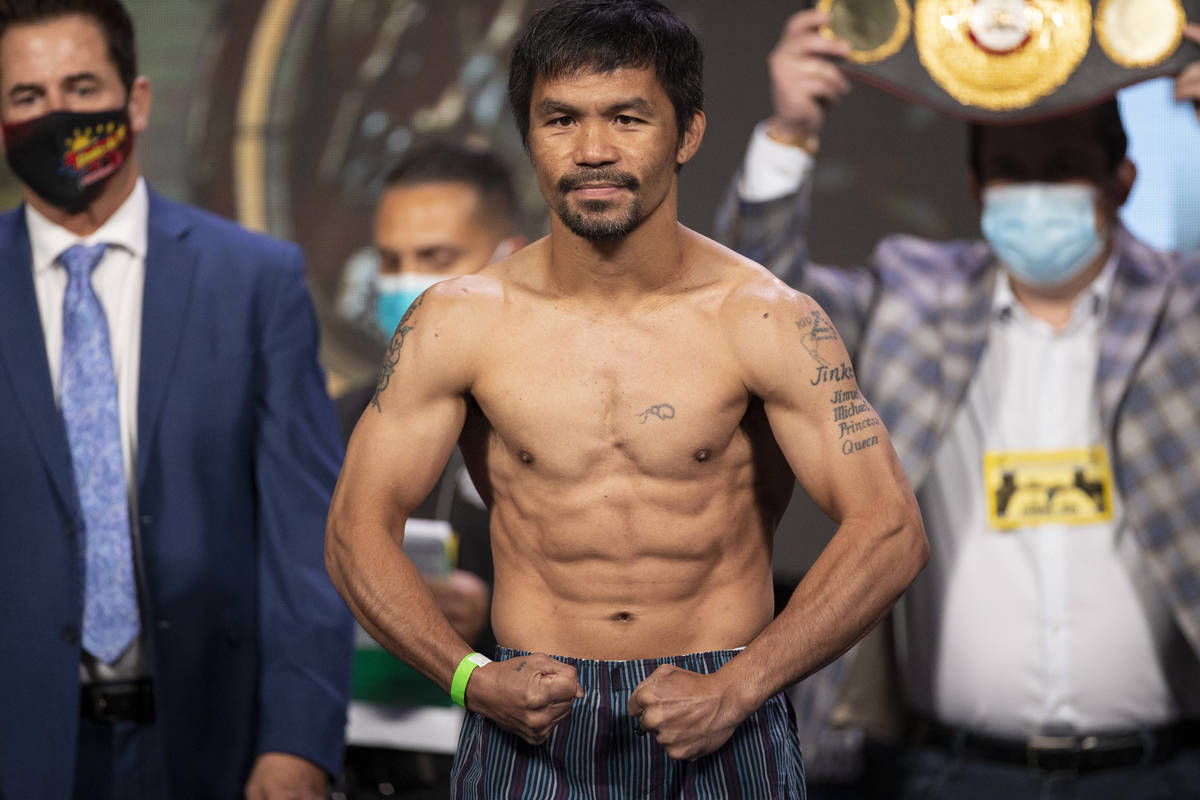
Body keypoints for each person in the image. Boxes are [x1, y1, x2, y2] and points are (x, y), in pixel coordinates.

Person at [325, 1, 928, 798]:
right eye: (561, 120)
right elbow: (354, 531)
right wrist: (469, 677)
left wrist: (741, 687)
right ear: (528, 135)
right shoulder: (458, 322)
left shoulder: (765, 318)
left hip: (719, 704)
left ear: (688, 134)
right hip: (528, 714)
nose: (593, 151)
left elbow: (889, 529)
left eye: (628, 117)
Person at [716, 9, 1200, 798]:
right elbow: (754, 309)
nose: (1033, 193)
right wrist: (791, 132)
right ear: (976, 186)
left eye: (1064, 167)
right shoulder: (913, 292)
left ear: (1125, 179)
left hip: (1165, 771)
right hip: (952, 769)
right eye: (1011, 170)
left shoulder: (1186, 305)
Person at [0, 1, 353, 798]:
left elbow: (305, 543)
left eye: (81, 86)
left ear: (138, 100)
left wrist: (298, 742)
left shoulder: (254, 281)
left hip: (209, 747)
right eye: (27, 97)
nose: (56, 115)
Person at [338, 141, 525, 799]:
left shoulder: (560, 414)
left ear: (508, 259)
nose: (405, 283)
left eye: (435, 259)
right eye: (390, 262)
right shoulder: (342, 417)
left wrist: (497, 616)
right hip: (360, 763)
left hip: (512, 763)